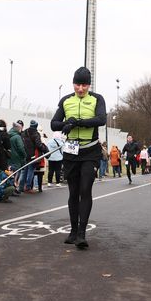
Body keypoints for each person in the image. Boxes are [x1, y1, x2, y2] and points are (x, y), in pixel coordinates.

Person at [51, 67, 107, 249]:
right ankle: (73, 231)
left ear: (89, 85)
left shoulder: (97, 99)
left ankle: (82, 234)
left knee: (85, 189)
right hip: (71, 152)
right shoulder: (66, 100)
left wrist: (79, 122)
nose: (80, 88)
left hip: (90, 152)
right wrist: (66, 123)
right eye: (77, 84)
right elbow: (54, 124)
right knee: (73, 192)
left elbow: (101, 120)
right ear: (73, 84)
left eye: (84, 84)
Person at [20, 120, 47, 194]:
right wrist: (45, 150)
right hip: (33, 155)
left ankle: (21, 187)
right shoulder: (36, 133)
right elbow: (38, 144)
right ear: (36, 126)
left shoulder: (24, 132)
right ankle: (28, 187)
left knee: (24, 171)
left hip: (25, 154)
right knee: (30, 171)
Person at [8, 122, 26, 194]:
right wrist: (24, 155)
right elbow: (21, 148)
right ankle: (12, 189)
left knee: (9, 174)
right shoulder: (17, 137)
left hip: (9, 157)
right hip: (16, 158)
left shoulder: (8, 134)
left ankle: (10, 188)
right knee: (15, 174)